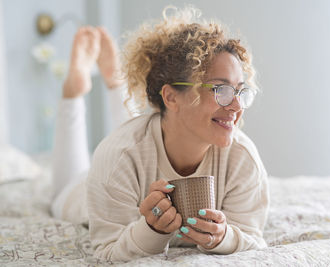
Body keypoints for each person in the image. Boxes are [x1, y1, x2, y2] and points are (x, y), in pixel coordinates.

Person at [51, 6, 269, 263]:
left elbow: (253, 239)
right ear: (170, 97)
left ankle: (115, 83)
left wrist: (224, 238)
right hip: (83, 193)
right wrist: (151, 230)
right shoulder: (116, 156)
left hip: (139, 150)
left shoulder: (242, 158)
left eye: (240, 92)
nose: (236, 106)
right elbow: (107, 253)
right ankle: (73, 93)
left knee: (138, 140)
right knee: (65, 189)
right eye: (220, 90)